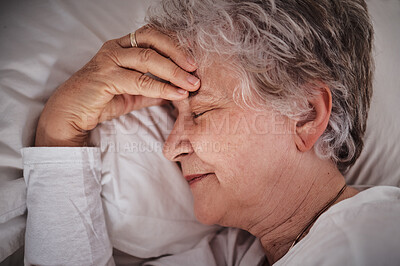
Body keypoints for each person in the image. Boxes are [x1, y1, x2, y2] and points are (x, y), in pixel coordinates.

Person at [23, 0, 400, 265]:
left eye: (201, 111)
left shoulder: (374, 242)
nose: (171, 148)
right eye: (173, 113)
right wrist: (61, 132)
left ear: (305, 115)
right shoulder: (240, 252)